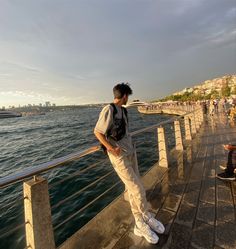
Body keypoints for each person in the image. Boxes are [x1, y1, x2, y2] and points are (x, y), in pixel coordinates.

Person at [94, 83, 165, 244]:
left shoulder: (124, 111)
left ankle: (140, 221)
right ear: (124, 95)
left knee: (133, 188)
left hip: (130, 153)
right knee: (138, 189)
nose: (128, 99)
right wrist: (111, 148)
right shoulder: (109, 109)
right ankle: (144, 217)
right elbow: (97, 132)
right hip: (119, 157)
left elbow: (124, 133)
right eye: (128, 96)